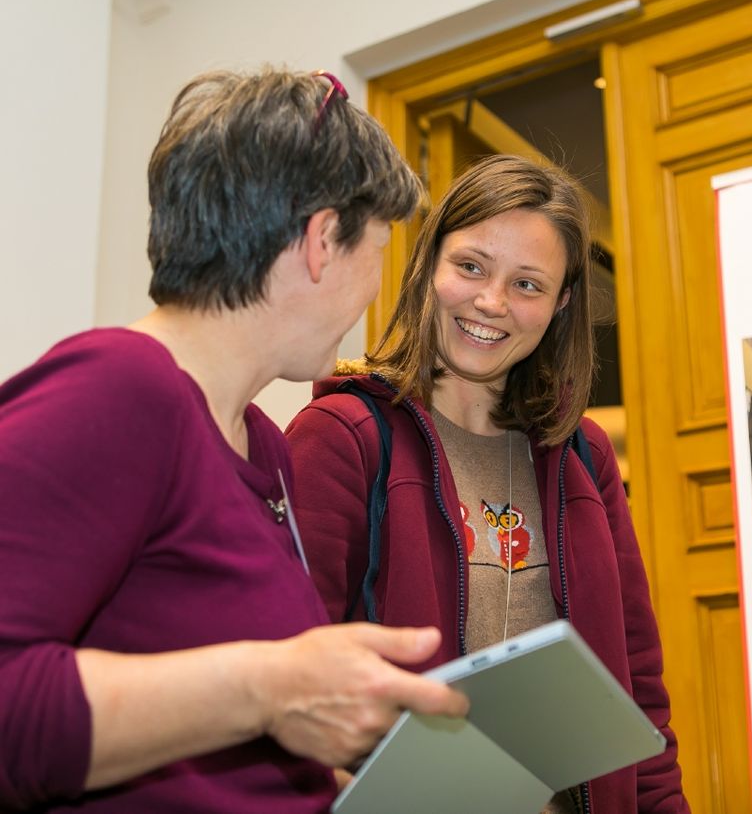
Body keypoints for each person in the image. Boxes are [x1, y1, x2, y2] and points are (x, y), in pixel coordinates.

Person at [0, 68, 467, 812]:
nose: (378, 289)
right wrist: (267, 688)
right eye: (379, 250)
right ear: (321, 242)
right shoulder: (117, 393)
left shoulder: (264, 444)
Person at [285, 154, 689, 813]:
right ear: (429, 266)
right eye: (471, 266)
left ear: (560, 305)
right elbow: (285, 683)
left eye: (528, 284)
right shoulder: (342, 437)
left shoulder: (582, 454)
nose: (491, 302)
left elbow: (638, 692)